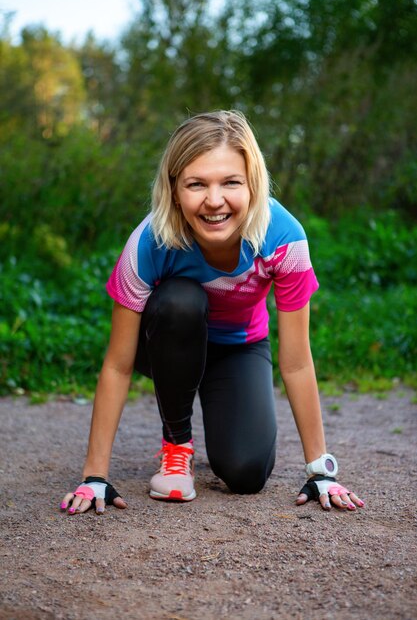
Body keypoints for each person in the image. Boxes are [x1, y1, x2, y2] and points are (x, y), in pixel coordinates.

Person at [60, 110, 364, 515]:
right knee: (182, 300)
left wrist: (320, 469)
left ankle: (222, 416)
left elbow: (295, 362)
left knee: (246, 473)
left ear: (253, 184)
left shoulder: (285, 239)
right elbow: (117, 365)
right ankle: (176, 444)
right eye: (196, 184)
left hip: (238, 348)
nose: (214, 200)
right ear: (173, 189)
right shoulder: (148, 244)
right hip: (167, 341)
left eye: (231, 182)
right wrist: (94, 476)